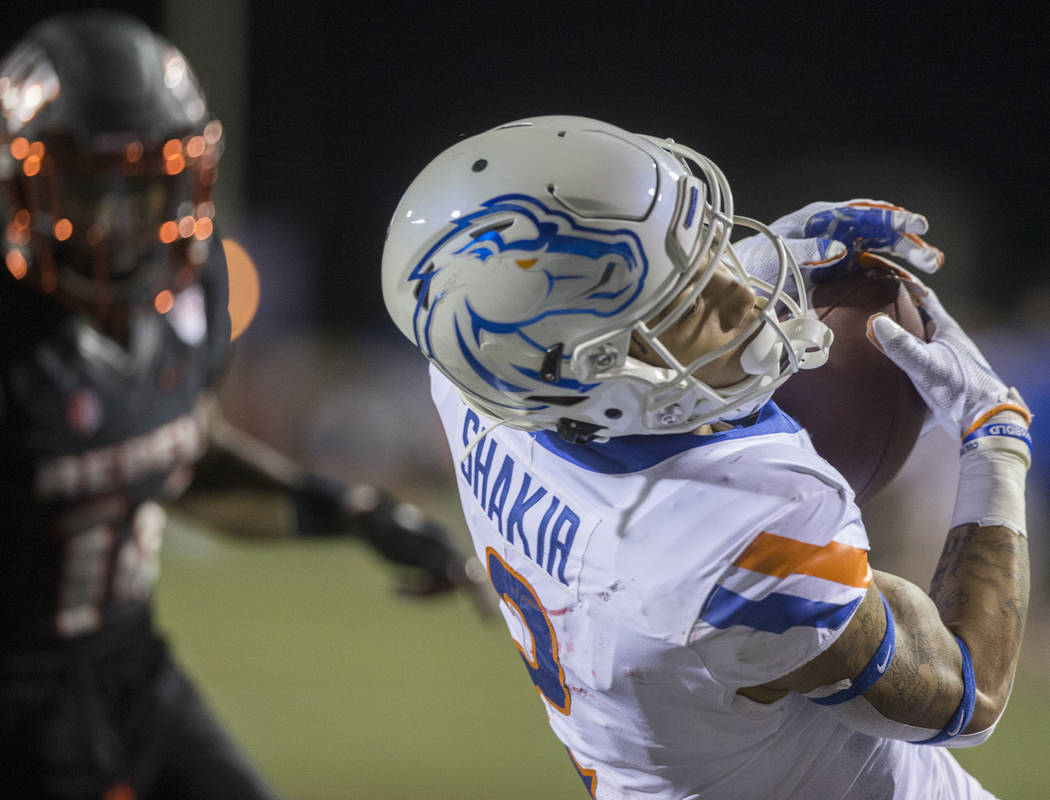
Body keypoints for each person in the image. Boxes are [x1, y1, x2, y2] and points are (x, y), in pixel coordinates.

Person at [381, 115, 1031, 799]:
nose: (744, 297)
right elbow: (965, 699)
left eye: (710, 248)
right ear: (600, 372)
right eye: (686, 299)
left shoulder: (481, 373)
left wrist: (730, 254)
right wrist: (995, 444)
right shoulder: (739, 526)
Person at [0, 11, 476, 799]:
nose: (123, 230)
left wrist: (355, 512)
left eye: (148, 188)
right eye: (90, 192)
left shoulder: (194, 290)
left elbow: (179, 458)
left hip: (131, 671)